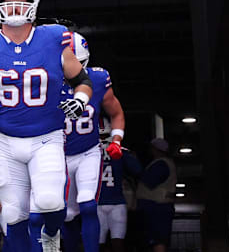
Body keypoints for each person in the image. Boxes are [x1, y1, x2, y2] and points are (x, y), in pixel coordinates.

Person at [0, 0, 93, 252]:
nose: (14, 8)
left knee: (50, 202)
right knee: (13, 215)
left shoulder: (54, 37)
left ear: (33, 5)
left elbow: (82, 81)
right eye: (7, 3)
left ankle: (51, 233)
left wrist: (80, 100)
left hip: (46, 137)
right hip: (4, 140)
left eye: (21, 2)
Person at [49, 32, 126, 252]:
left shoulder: (99, 80)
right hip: (57, 154)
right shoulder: (47, 83)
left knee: (89, 204)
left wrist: (116, 139)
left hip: (88, 152)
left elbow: (116, 113)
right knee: (67, 213)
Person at [97, 118, 143, 252]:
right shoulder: (120, 150)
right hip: (117, 202)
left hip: (97, 202)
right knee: (118, 244)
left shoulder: (88, 151)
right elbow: (137, 170)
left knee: (97, 244)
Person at [136, 138, 177, 252]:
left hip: (157, 208)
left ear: (156, 149)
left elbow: (149, 181)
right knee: (158, 240)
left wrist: (136, 167)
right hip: (158, 207)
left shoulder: (161, 164)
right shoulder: (164, 163)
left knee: (158, 240)